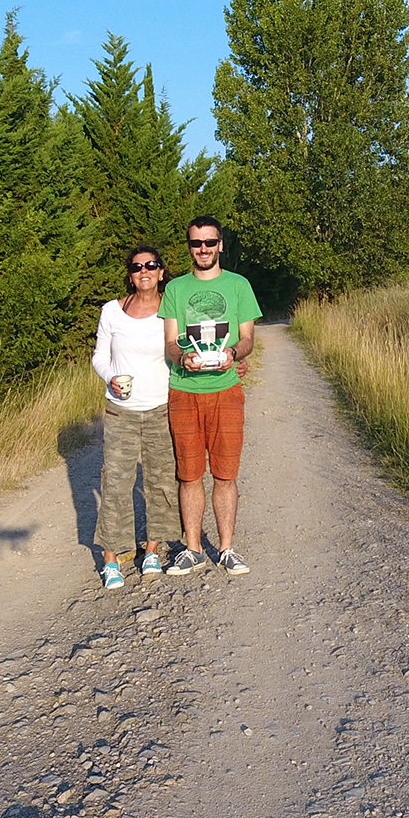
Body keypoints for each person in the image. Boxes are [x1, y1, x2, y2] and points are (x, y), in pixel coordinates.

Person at [161, 216, 261, 575]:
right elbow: (171, 343)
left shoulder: (239, 285)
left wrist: (234, 354)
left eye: (209, 242)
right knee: (188, 474)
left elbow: (248, 338)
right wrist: (182, 357)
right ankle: (191, 548)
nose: (202, 249)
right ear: (189, 247)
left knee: (225, 474)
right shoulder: (175, 289)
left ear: (220, 245)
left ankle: (227, 547)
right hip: (184, 392)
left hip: (226, 391)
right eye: (195, 243)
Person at [89, 245, 179, 590]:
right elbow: (99, 356)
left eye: (151, 265)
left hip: (161, 407)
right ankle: (112, 558)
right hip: (121, 410)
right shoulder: (111, 311)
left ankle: (153, 549)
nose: (144, 271)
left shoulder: (170, 312)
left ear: (160, 273)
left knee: (159, 480)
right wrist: (110, 376)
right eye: (137, 266)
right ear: (130, 274)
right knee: (115, 482)